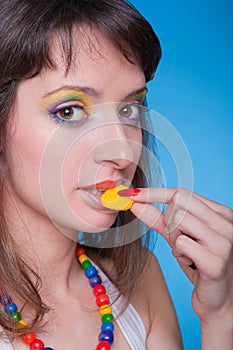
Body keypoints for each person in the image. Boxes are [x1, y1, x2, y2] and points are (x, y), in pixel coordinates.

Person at [0, 0, 232, 349]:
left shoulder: (140, 280)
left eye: (128, 109)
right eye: (69, 111)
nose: (123, 153)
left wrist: (222, 315)